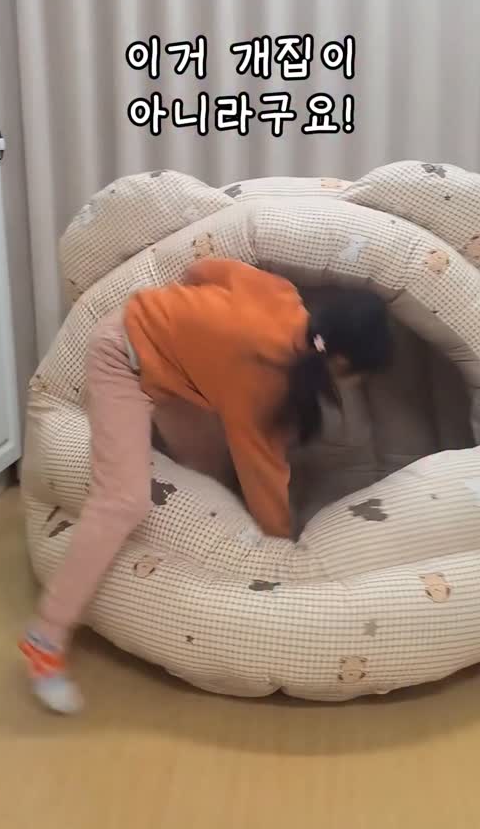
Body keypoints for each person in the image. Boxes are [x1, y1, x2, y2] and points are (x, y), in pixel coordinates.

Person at [19, 259, 391, 712]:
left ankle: (199, 569)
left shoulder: (282, 295)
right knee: (123, 501)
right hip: (121, 356)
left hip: (172, 364)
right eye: (357, 378)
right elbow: (262, 470)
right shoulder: (263, 378)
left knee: (207, 472)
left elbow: (206, 269)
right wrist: (282, 552)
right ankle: (46, 636)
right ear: (342, 361)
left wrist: (189, 321)